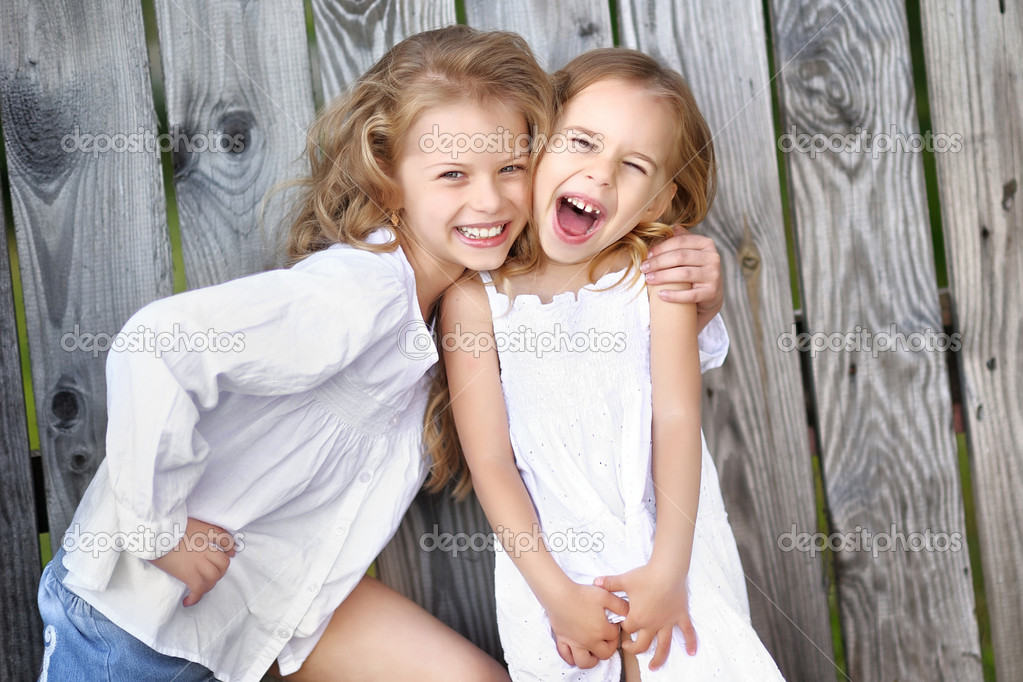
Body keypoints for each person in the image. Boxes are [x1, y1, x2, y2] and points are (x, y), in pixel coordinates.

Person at [36, 26, 550, 682]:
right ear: (388, 182)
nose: (490, 198)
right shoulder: (358, 292)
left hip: (268, 604)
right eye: (453, 174)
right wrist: (157, 532)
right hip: (136, 622)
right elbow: (158, 343)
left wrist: (694, 299)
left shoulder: (455, 304)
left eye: (511, 167)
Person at [430, 48, 785, 680]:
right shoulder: (474, 299)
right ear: (535, 145)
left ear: (656, 200)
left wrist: (668, 570)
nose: (599, 175)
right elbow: (491, 460)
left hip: (671, 544)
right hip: (551, 563)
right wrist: (555, 594)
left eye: (633, 165)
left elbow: (676, 419)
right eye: (582, 143)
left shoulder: (655, 277)